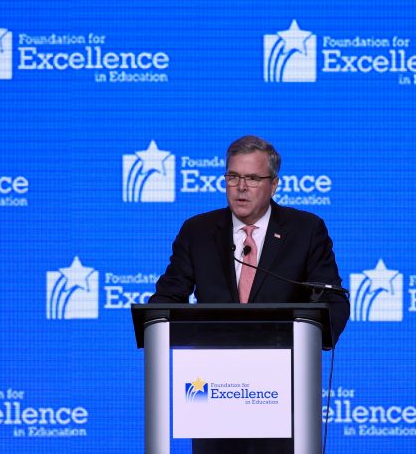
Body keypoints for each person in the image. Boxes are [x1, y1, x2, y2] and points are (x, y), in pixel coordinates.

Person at [149, 135, 349, 454]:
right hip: (212, 389)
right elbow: (167, 299)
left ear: (274, 185)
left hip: (284, 388)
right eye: (233, 177)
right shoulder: (198, 231)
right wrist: (157, 323)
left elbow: (333, 299)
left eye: (253, 178)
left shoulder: (306, 230)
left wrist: (316, 334)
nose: (241, 187)